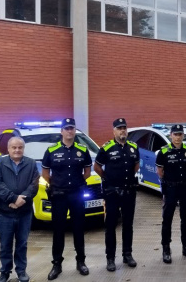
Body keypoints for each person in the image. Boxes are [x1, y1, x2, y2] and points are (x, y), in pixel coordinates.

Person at [43, 118, 92, 279]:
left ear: (75, 130)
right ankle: (57, 264)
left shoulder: (82, 150)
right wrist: (57, 184)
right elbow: (45, 174)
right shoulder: (51, 151)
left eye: (72, 128)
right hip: (59, 196)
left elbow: (87, 172)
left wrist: (78, 183)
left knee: (78, 229)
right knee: (58, 230)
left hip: (77, 195)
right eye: (67, 128)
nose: (69, 131)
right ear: (61, 131)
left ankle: (81, 262)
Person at [94, 118, 140, 272]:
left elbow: (136, 165)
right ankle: (110, 258)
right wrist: (108, 178)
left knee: (128, 224)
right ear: (114, 131)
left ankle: (127, 254)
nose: (122, 131)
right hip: (112, 193)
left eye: (124, 128)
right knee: (111, 225)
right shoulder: (106, 148)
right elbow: (97, 167)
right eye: (119, 128)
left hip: (129, 192)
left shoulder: (133, 147)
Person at [0, 136, 40, 282]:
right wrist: (13, 199)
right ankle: (5, 272)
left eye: (20, 147)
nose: (17, 150)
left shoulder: (31, 163)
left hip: (24, 213)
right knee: (5, 244)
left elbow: (34, 185)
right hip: (5, 213)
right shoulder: (0, 162)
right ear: (8, 149)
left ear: (23, 149)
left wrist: (21, 199)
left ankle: (21, 271)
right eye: (14, 147)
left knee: (22, 244)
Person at [156, 124, 186, 263]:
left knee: (185, 219)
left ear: (183, 135)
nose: (178, 137)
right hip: (171, 189)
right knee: (167, 219)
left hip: (185, 188)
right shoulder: (163, 152)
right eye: (175, 134)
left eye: (180, 134)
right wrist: (169, 184)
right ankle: (166, 249)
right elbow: (160, 172)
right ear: (170, 135)